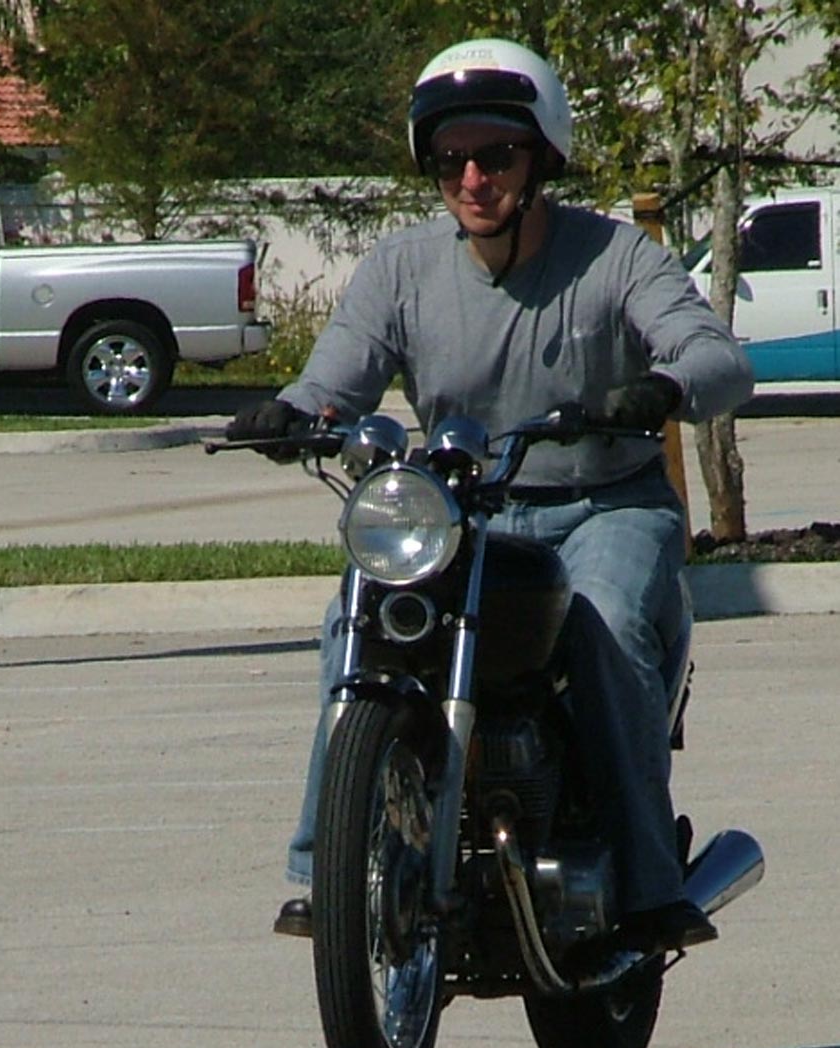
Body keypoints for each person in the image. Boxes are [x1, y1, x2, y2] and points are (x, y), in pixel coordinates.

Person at [226, 37, 754, 952]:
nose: (472, 179)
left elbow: (717, 357)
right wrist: (295, 413)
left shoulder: (615, 257)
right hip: (466, 510)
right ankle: (330, 869)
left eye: (496, 156)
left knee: (603, 621)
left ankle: (648, 885)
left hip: (604, 505)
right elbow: (333, 382)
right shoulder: (402, 268)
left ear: (542, 157)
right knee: (356, 617)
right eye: (450, 160)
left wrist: (663, 388)